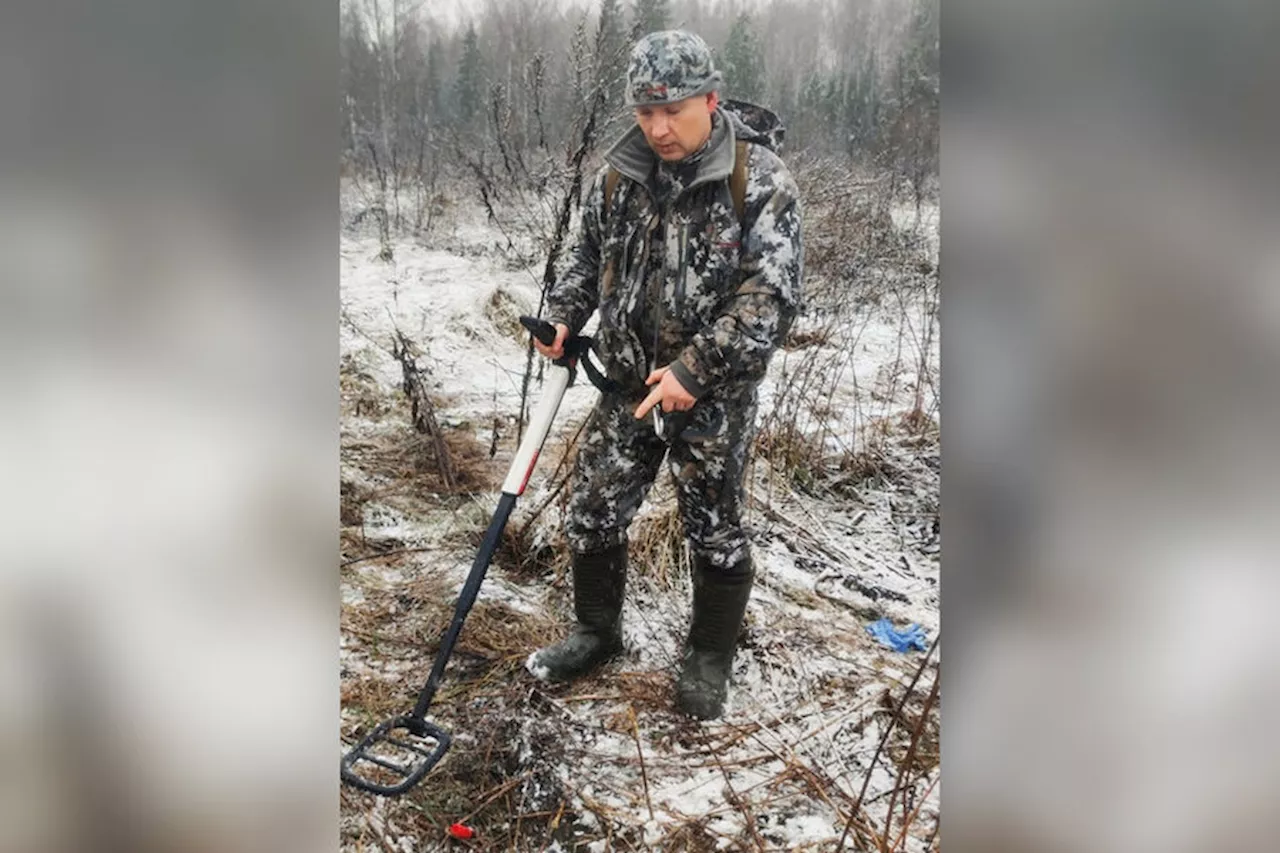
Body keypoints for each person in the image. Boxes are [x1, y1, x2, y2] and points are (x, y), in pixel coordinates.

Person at [524, 30, 803, 720]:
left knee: (714, 526)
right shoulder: (620, 174)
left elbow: (768, 300)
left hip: (710, 396)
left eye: (673, 111)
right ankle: (596, 631)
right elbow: (585, 257)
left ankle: (707, 660)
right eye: (645, 113)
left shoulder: (760, 180)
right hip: (627, 386)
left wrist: (695, 367)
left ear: (709, 99)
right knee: (591, 508)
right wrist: (562, 315)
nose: (658, 128)